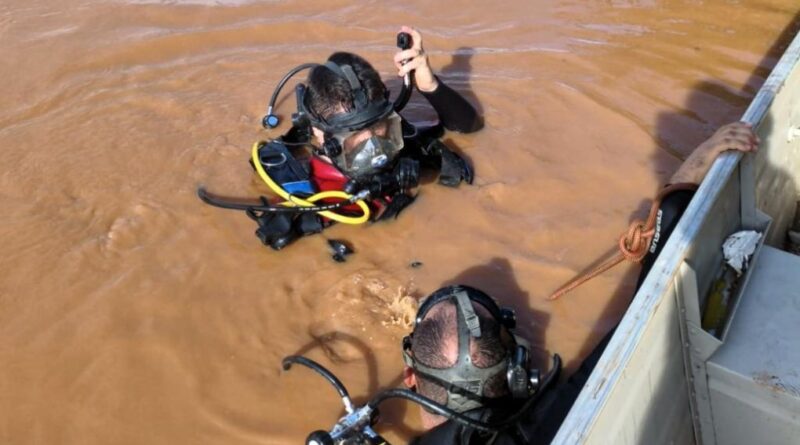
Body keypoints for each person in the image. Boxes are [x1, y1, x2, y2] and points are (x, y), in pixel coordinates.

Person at [405, 122, 759, 444]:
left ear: (409, 379)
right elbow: (652, 297)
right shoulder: (559, 418)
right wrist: (698, 162)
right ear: (518, 372)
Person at [247, 26, 482, 250]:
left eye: (379, 127)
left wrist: (429, 85)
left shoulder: (398, 140)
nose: (374, 144)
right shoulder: (307, 194)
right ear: (319, 133)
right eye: (357, 135)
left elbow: (468, 129)